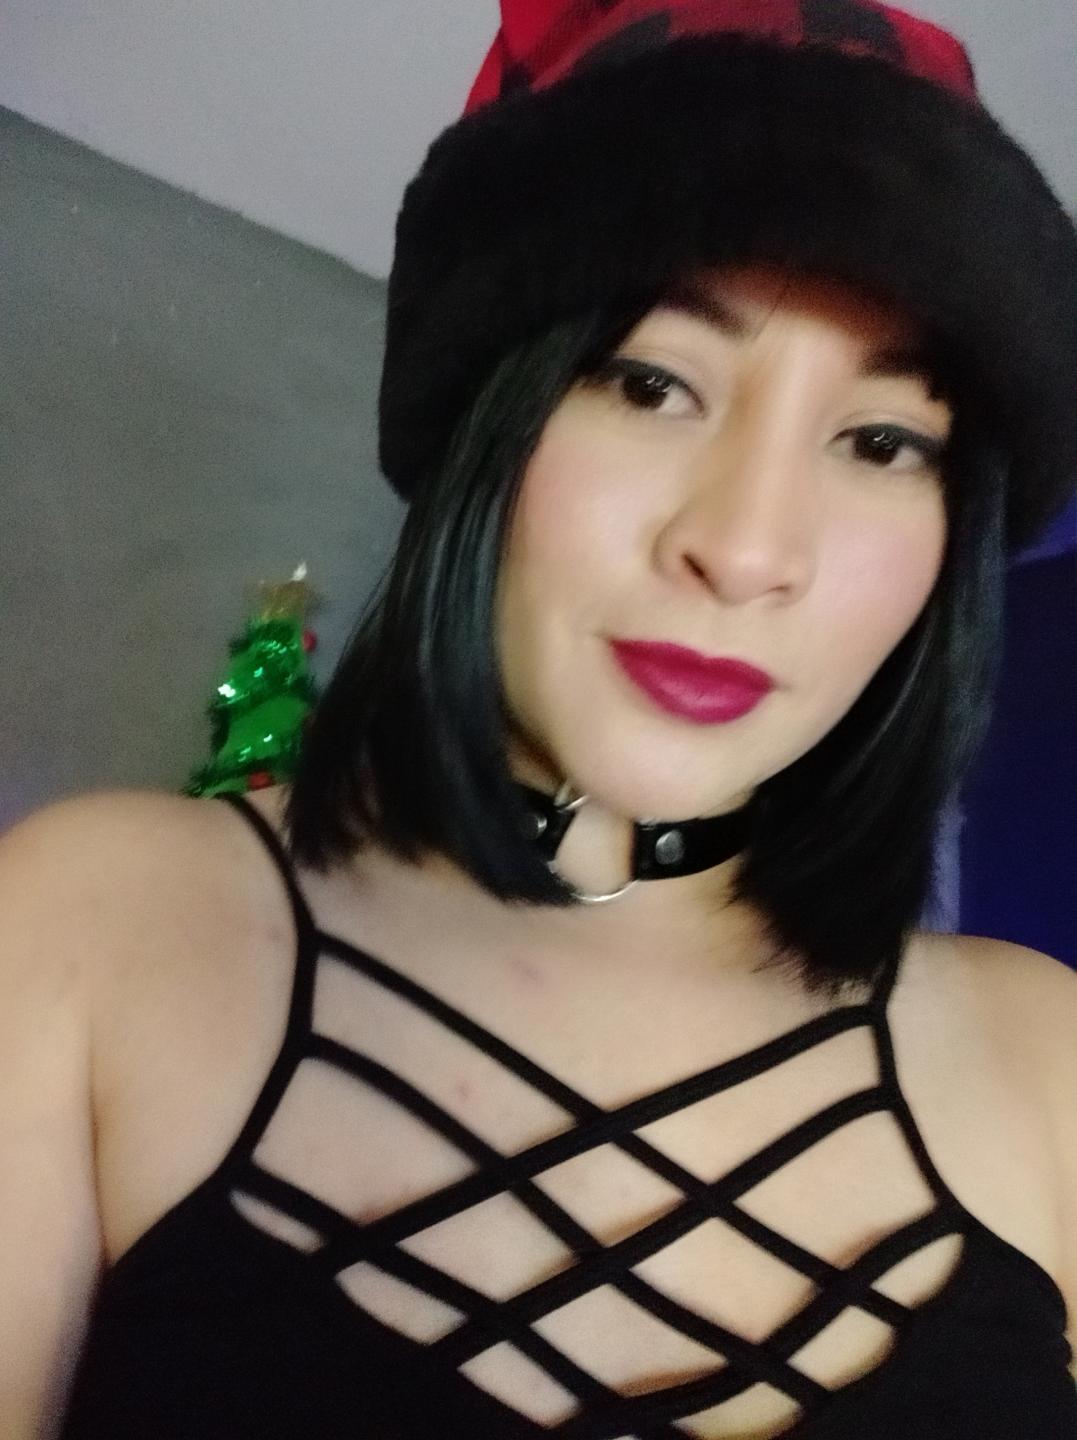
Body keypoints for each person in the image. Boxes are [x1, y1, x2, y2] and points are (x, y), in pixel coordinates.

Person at [3, 2, 1076, 1436]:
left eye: (881, 441)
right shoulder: (97, 925)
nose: (746, 548)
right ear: (486, 431)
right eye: (650, 382)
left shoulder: (1047, 1060)